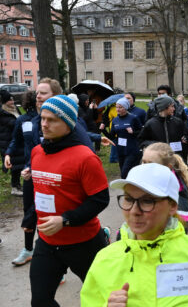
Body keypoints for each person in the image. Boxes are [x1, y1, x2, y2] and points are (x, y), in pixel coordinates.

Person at [80, 163, 188, 306]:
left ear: (172, 207)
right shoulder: (105, 260)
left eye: (147, 201)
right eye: (128, 199)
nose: (134, 211)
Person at [26, 95, 109, 306]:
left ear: (68, 123)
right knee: (40, 301)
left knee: (103, 299)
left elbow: (100, 200)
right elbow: (42, 192)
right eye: (42, 118)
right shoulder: (37, 152)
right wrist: (30, 218)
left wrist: (65, 219)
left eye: (52, 120)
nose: (44, 124)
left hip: (85, 242)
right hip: (47, 242)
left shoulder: (85, 157)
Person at [4, 91, 38, 266]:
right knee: (28, 211)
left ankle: (49, 254)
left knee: (47, 212)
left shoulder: (47, 120)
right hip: (28, 173)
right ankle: (28, 249)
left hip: (46, 172)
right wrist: (8, 153)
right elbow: (15, 141)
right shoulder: (22, 120)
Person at [142, 143, 188, 233]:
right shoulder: (144, 183)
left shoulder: (177, 197)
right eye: (144, 162)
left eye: (151, 163)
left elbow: (181, 232)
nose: (145, 167)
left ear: (168, 167)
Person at [139, 95, 188, 165]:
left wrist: (187, 140)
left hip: (176, 163)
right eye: (172, 106)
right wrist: (155, 145)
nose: (174, 109)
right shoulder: (150, 124)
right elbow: (141, 141)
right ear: (164, 107)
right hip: (158, 162)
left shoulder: (178, 122)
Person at [109, 97, 143, 179]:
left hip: (132, 150)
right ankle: (129, 190)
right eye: (117, 107)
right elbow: (112, 136)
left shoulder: (133, 118)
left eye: (120, 107)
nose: (118, 109)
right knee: (124, 173)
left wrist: (133, 132)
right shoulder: (115, 120)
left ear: (126, 107)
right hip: (120, 150)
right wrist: (102, 130)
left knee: (124, 173)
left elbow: (142, 132)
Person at [0, 90, 24, 196]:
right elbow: (13, 124)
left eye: (12, 99)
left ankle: (17, 185)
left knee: (18, 164)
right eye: (10, 100)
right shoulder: (2, 113)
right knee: (14, 165)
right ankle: (14, 187)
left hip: (16, 140)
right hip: (8, 142)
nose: (12, 101)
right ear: (5, 102)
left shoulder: (15, 109)